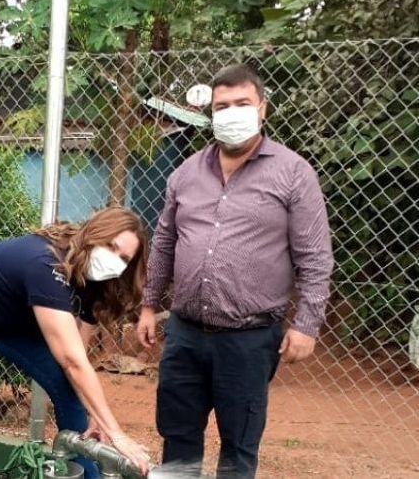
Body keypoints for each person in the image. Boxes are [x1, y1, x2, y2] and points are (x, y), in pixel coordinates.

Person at [136, 63, 334, 478]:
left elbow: (315, 255)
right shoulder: (186, 173)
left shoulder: (293, 173)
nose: (231, 113)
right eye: (221, 106)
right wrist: (148, 305)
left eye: (241, 103)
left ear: (262, 108)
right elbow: (166, 243)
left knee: (239, 446)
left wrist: (307, 324)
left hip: (249, 340)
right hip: (185, 336)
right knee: (177, 437)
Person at [0, 207, 153, 479]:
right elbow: (72, 362)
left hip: (13, 321)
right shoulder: (47, 264)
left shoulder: (97, 280)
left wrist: (98, 415)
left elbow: (76, 357)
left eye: (124, 258)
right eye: (111, 246)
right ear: (95, 233)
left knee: (71, 396)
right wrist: (117, 434)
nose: (113, 259)